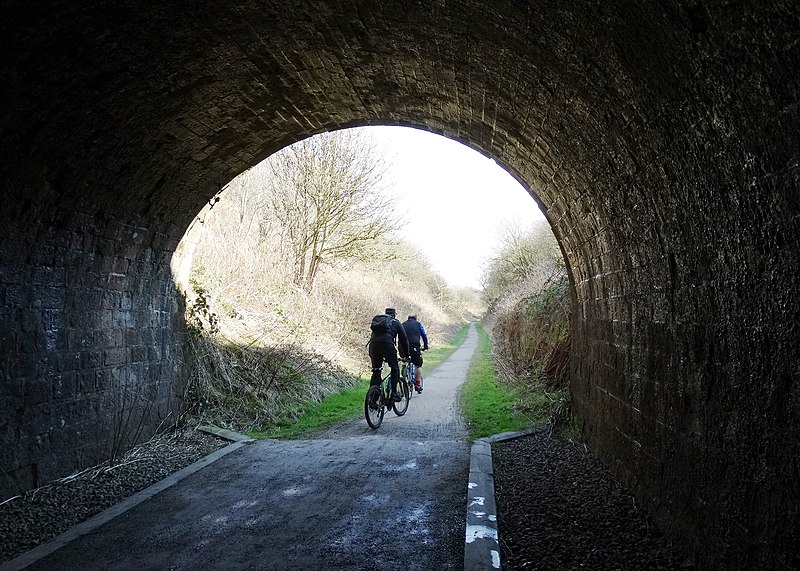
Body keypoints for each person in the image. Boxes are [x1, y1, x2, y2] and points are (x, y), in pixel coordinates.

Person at [368, 307, 410, 402]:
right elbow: (403, 339)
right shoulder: (396, 322)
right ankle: (394, 393)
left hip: (373, 345)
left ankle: (373, 399)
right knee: (394, 367)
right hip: (387, 345)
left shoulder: (378, 321)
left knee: (376, 371)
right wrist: (406, 355)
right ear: (394, 314)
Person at [402, 314, 429, 393]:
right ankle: (417, 384)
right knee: (418, 365)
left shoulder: (403, 324)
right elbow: (424, 335)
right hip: (414, 347)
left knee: (404, 361)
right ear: (415, 318)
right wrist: (425, 346)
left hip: (403, 348)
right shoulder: (418, 324)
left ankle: (404, 372)